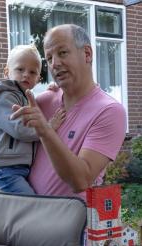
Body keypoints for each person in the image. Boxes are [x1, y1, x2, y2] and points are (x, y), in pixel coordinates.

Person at [10, 24, 127, 200]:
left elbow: (81, 181)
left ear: (87, 54)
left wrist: (45, 130)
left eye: (62, 53)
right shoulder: (42, 102)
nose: (54, 64)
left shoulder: (109, 111)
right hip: (27, 214)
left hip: (72, 224)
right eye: (49, 58)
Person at [0, 44, 65, 194]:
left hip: (19, 166)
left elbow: (33, 108)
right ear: (7, 72)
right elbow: (20, 128)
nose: (26, 74)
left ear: (38, 79)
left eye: (32, 72)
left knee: (21, 209)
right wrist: (49, 128)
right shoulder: (4, 96)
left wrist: (52, 91)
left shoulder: (23, 96)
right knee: (31, 205)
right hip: (6, 169)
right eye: (20, 69)